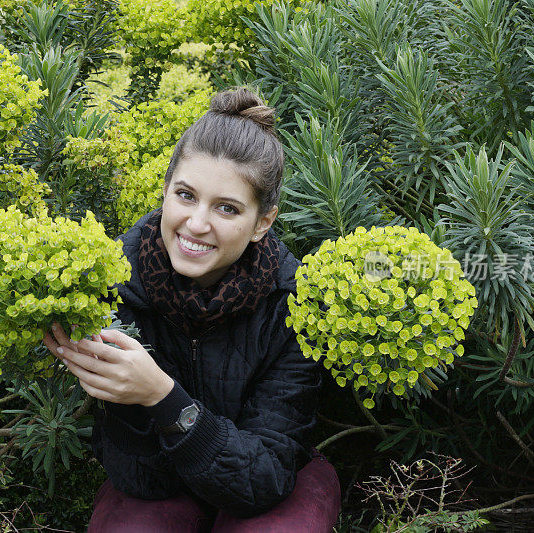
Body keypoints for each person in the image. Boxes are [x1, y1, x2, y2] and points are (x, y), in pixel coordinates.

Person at [43, 88, 341, 532]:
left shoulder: (293, 302)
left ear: (263, 222)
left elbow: (264, 479)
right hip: (161, 484)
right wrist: (128, 398)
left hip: (274, 484)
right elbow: (138, 479)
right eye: (185, 195)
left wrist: (162, 396)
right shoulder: (111, 283)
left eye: (227, 208)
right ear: (165, 191)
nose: (197, 224)